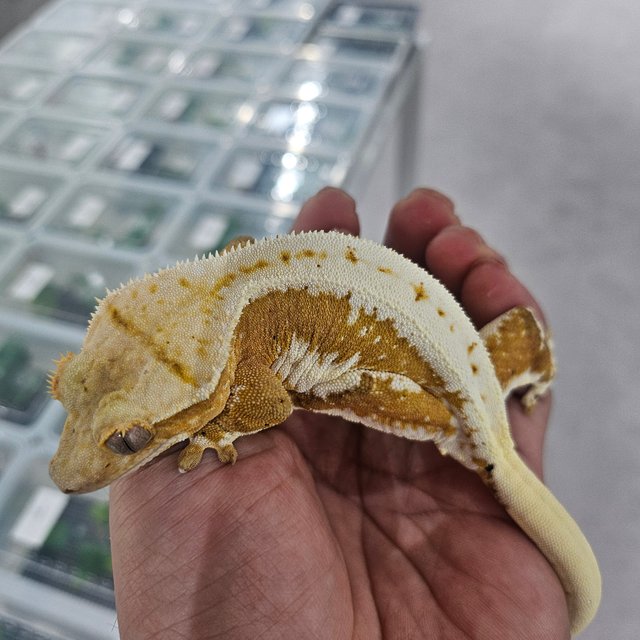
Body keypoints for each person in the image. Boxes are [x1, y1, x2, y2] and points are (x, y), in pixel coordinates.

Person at [109, 188, 570, 639]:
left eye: (129, 438)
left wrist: (220, 426)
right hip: (462, 358)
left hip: (450, 402)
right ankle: (539, 368)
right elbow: (242, 249)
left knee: (357, 387)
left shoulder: (234, 342)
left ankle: (501, 414)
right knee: (498, 327)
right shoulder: (222, 289)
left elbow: (274, 403)